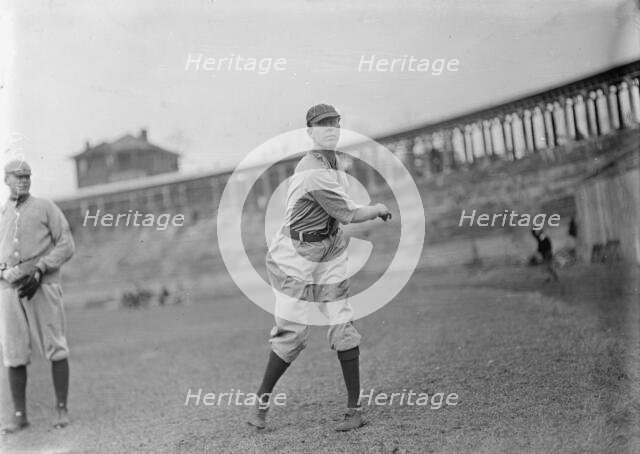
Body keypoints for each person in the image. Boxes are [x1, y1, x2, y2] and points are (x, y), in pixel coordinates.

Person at [247, 104, 392, 432]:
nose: (330, 129)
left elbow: (341, 212)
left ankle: (354, 410)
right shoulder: (312, 168)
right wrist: (378, 208)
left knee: (342, 322)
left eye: (334, 123)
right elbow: (349, 214)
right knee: (293, 335)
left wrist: (369, 210)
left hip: (328, 245)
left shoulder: (334, 161)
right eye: (322, 124)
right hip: (294, 253)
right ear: (310, 132)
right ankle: (261, 403)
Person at [0, 160, 75, 434]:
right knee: (13, 350)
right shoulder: (3, 213)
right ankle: (20, 415)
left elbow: (67, 244)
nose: (24, 180)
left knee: (55, 344)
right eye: (18, 177)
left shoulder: (45, 207)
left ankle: (61, 408)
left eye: (28, 176)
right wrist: (3, 271)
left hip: (43, 284)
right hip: (9, 291)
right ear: (6, 180)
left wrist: (42, 268)